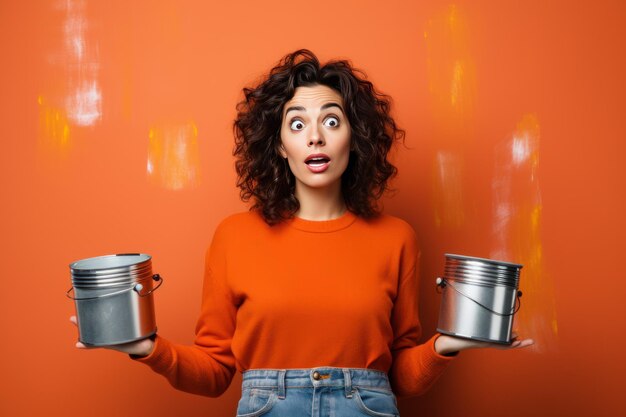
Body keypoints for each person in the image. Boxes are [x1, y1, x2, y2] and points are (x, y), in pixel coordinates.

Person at [70, 49, 533, 416]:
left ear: (355, 136)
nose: (316, 137)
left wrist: (449, 345)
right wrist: (144, 348)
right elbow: (214, 373)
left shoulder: (397, 238)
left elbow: (401, 376)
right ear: (278, 144)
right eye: (298, 124)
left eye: (332, 121)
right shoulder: (233, 237)